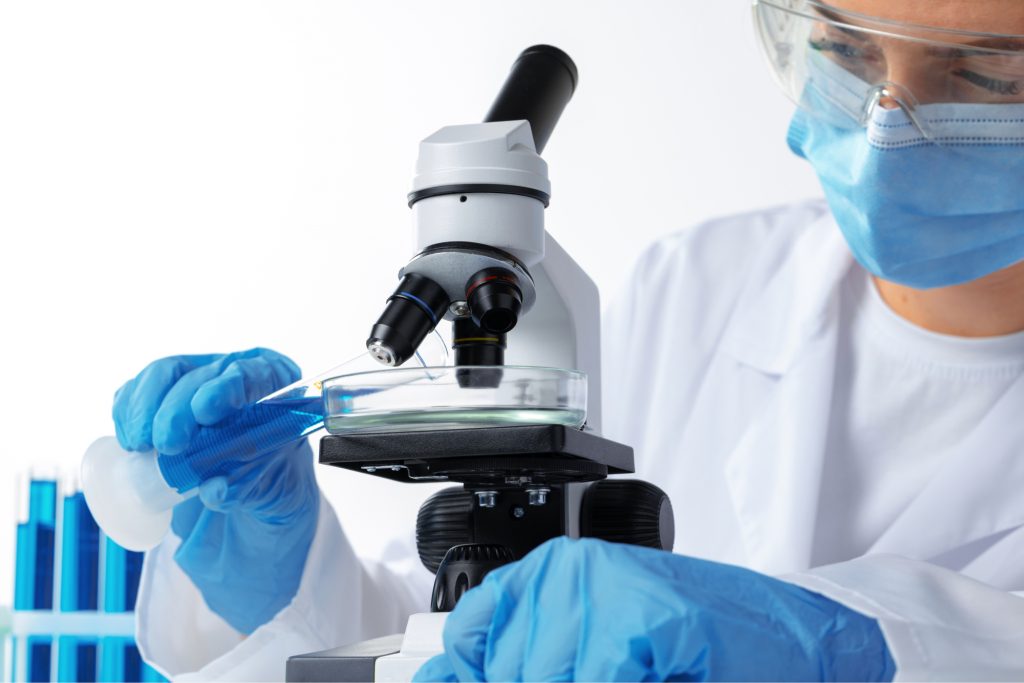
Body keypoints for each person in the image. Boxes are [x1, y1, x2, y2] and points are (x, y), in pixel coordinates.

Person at [112, 0, 1024, 679]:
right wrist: (285, 579)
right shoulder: (701, 285)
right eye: (847, 55)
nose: (883, 121)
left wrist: (864, 649)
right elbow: (466, 634)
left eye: (987, 78)